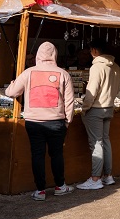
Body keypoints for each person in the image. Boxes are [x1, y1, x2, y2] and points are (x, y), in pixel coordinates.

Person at [6, 42, 75, 201]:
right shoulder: (63, 73)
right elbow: (69, 101)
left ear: (38, 54)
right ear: (55, 54)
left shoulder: (28, 72)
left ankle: (40, 191)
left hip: (33, 122)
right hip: (56, 122)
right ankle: (60, 186)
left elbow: (12, 92)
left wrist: (11, 85)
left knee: (37, 155)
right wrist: (68, 121)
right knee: (56, 154)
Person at [76, 38, 120, 190]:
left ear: (95, 51)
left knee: (96, 143)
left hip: (96, 109)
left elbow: (91, 92)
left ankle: (95, 178)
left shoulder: (96, 67)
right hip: (109, 107)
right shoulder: (115, 66)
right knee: (105, 141)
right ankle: (107, 176)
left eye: (90, 50)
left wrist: (84, 107)